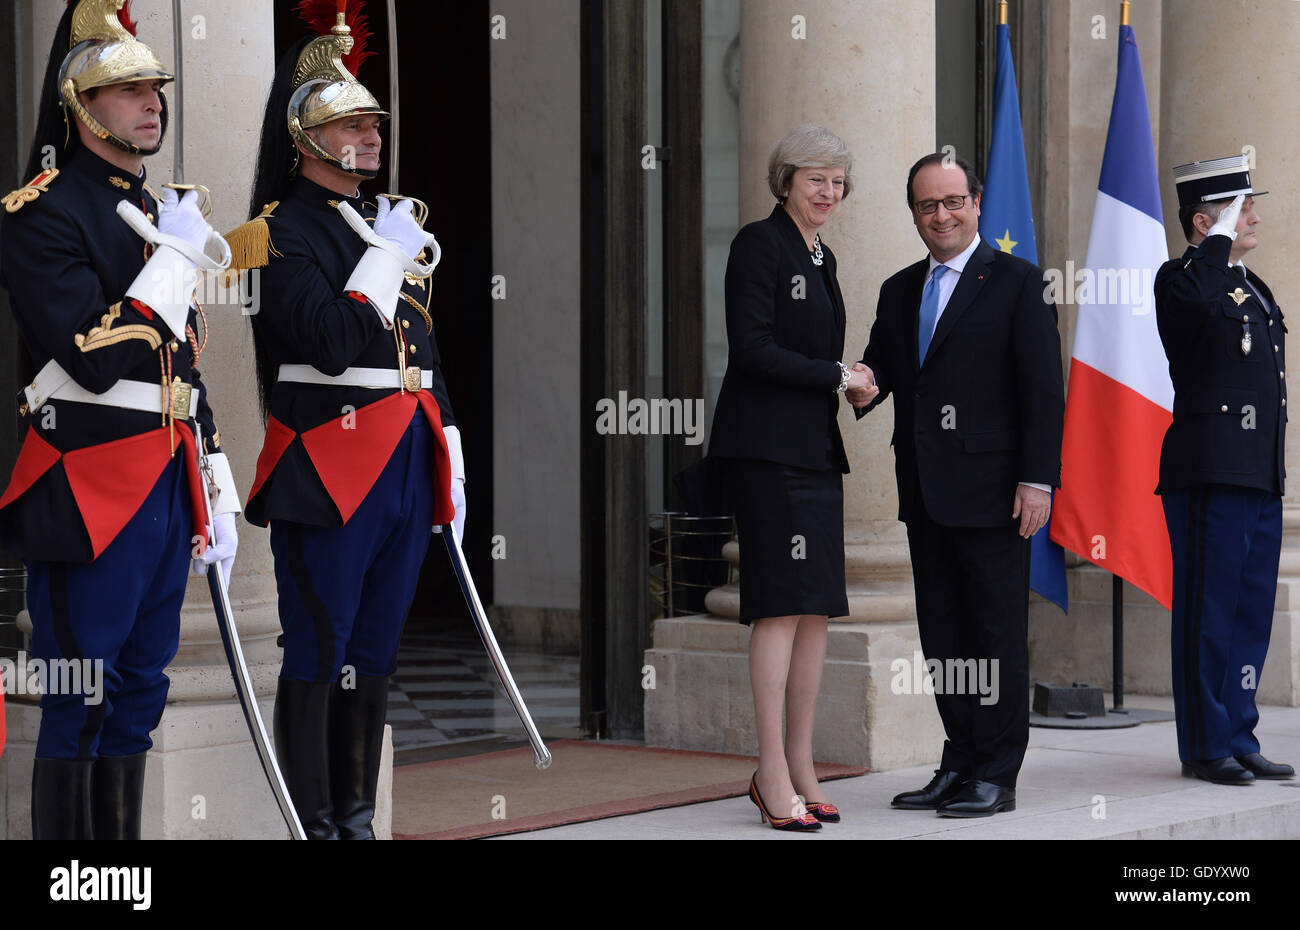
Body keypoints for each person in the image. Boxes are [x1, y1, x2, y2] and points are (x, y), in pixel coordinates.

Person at [0, 0, 238, 840]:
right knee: (79, 695)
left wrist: (213, 465)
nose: (153, 104)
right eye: (129, 89)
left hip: (166, 479)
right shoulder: (41, 212)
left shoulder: (160, 212)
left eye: (156, 88)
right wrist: (172, 264)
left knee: (140, 692)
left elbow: (183, 365)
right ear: (81, 105)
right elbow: (94, 353)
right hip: (86, 482)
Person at [226, 3, 462, 839]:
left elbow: (421, 354)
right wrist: (384, 257)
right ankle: (316, 825)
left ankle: (358, 820)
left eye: (372, 123)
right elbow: (328, 343)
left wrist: (451, 451)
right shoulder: (278, 233)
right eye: (350, 123)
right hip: (328, 465)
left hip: (402, 457)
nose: (370, 136)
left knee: (374, 653)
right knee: (321, 648)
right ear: (306, 137)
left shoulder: (382, 225)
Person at [848, 153, 1064, 817]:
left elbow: (1042, 391)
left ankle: (998, 773)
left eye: (952, 202)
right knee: (945, 636)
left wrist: (1038, 480)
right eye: (926, 206)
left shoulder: (1019, 283)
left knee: (994, 634)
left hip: (997, 492)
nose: (940, 216)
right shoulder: (898, 288)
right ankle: (961, 758)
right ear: (914, 213)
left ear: (975, 204)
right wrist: (856, 382)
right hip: (925, 489)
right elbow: (883, 370)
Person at [708, 124, 875, 831]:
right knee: (778, 604)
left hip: (813, 451)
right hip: (766, 453)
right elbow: (750, 350)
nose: (828, 192)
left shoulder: (823, 254)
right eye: (816, 178)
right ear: (786, 180)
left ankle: (802, 764)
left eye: (838, 181)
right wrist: (839, 375)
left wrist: (856, 382)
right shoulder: (758, 243)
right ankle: (769, 771)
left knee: (814, 609)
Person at [1153, 155, 1292, 785]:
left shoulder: (1253, 286)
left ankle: (1238, 731)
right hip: (1209, 472)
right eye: (1242, 208)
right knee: (1208, 612)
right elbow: (1192, 306)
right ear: (1205, 222)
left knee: (1248, 611)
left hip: (1256, 473)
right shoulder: (1181, 278)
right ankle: (1206, 745)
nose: (1255, 216)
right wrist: (1214, 243)